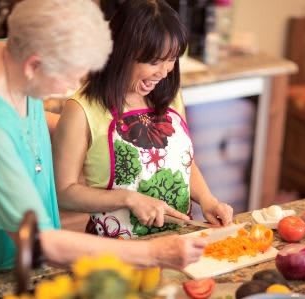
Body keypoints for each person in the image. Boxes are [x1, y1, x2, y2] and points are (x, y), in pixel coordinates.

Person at [0, 0, 207, 283]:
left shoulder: (4, 53)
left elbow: (18, 114)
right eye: (70, 76)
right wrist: (154, 253)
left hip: (15, 258)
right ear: (34, 65)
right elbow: (40, 242)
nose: (73, 87)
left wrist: (84, 132)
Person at [53, 0, 234, 239]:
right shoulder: (81, 109)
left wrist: (208, 200)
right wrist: (128, 199)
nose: (164, 72)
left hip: (179, 242)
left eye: (171, 59)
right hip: (116, 251)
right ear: (120, 53)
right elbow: (64, 192)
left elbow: (183, 163)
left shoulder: (169, 96)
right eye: (154, 61)